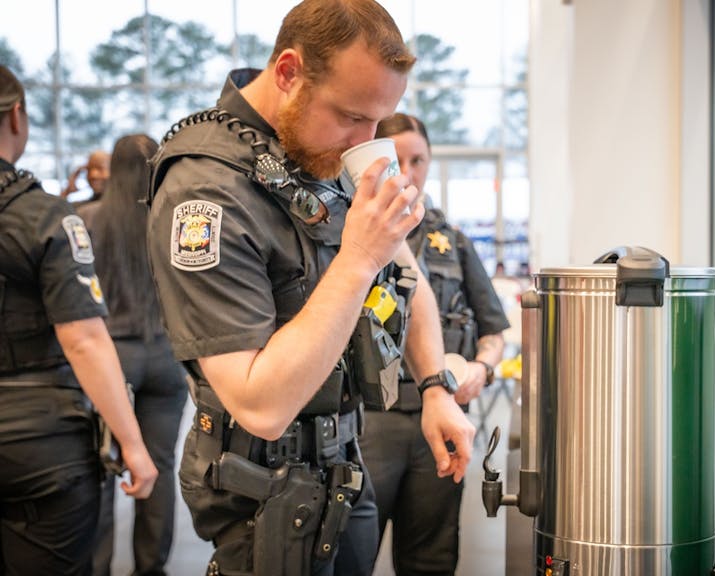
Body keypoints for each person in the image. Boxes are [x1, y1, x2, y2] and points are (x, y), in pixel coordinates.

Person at [144, 2, 476, 575]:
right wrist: (358, 258)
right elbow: (260, 405)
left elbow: (408, 277)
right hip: (264, 503)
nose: (366, 141)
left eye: (380, 120)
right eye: (351, 116)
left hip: (344, 473)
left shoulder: (315, 157)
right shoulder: (207, 191)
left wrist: (434, 387)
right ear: (289, 72)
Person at [0, 65, 157, 575]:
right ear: (17, 116)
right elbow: (85, 338)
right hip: (39, 436)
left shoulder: (81, 217)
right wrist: (132, 444)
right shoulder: (46, 218)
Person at [359, 113, 509, 575]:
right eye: (395, 159)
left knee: (431, 558)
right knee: (349, 553)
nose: (407, 171)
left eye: (417, 159)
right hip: (369, 426)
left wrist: (481, 369)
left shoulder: (455, 244)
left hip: (441, 421)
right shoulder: (351, 240)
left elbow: (494, 333)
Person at [78, 134, 189, 576]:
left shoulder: (86, 221)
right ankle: (151, 567)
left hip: (110, 360)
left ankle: (99, 566)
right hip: (165, 357)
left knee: (104, 467)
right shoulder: (171, 223)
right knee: (159, 465)